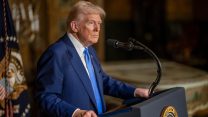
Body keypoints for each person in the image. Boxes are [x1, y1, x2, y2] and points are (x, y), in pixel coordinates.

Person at [35, 1, 149, 117]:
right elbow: (45, 97)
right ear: (75, 26)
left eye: (99, 23)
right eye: (91, 23)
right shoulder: (56, 53)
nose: (97, 29)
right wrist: (75, 113)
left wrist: (135, 92)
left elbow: (103, 81)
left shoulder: (89, 50)